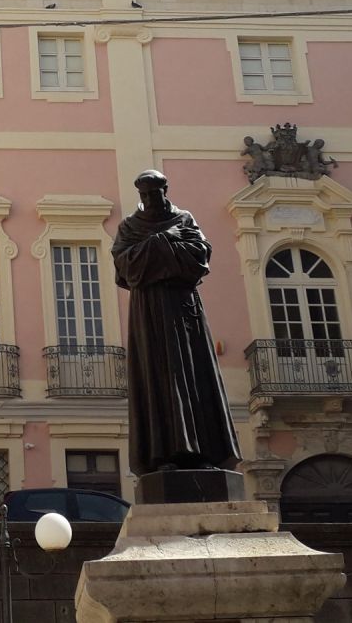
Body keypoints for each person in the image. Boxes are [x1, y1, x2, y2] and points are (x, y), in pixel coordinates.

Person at [111, 170, 241, 477]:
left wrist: (157, 250)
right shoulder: (130, 226)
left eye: (154, 193)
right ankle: (162, 454)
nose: (149, 199)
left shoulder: (184, 220)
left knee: (193, 375)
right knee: (157, 378)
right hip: (148, 312)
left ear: (165, 190)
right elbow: (125, 267)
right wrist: (163, 243)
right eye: (144, 194)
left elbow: (200, 256)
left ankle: (204, 452)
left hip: (183, 309)